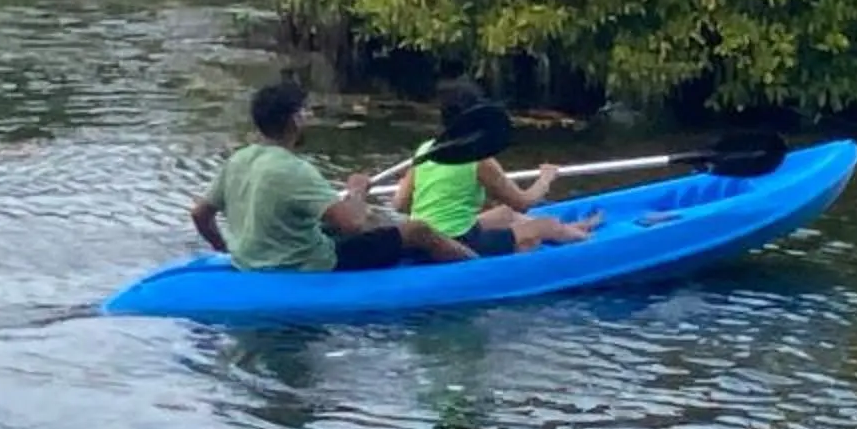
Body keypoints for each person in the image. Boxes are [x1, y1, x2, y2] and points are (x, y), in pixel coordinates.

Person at [191, 82, 475, 273]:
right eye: (306, 112)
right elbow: (354, 224)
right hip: (312, 264)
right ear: (294, 120)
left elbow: (200, 215)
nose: (309, 118)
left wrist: (227, 249)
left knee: (378, 224)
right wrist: (357, 191)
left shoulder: (238, 159)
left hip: (252, 260)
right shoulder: (294, 170)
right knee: (418, 230)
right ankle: (480, 270)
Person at [391, 81, 601, 255]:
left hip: (426, 240)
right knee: (545, 226)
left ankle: (573, 229)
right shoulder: (478, 158)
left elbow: (399, 204)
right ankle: (591, 243)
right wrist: (546, 178)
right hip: (458, 242)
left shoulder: (424, 150)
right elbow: (523, 203)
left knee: (504, 214)